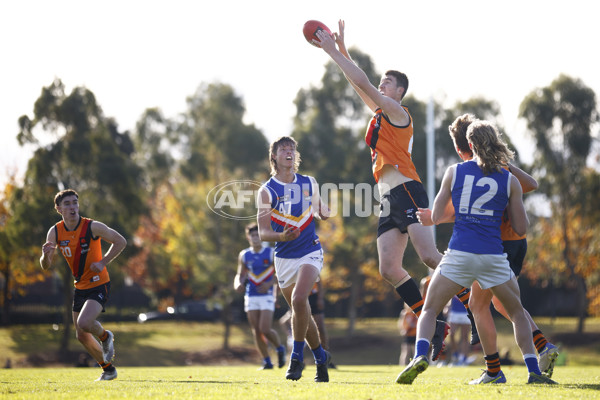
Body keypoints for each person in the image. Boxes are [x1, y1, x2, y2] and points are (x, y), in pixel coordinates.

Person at [315, 20, 482, 362]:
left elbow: (360, 81)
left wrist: (333, 52)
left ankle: (475, 311)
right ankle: (433, 322)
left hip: (407, 190)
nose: (381, 85)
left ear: (399, 92)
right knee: (389, 268)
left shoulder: (397, 112)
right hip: (387, 197)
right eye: (381, 83)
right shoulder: (380, 111)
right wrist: (340, 50)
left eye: (387, 83)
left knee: (430, 257)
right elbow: (358, 82)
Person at [396, 120, 556, 385]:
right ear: (496, 142)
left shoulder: (454, 171)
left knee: (431, 309)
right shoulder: (510, 180)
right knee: (517, 313)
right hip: (494, 257)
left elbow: (435, 215)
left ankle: (420, 356)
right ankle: (533, 372)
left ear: (469, 145)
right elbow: (521, 228)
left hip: (460, 254)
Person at [256, 136, 332, 382]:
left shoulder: (309, 182)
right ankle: (321, 357)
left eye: (292, 149)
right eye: (283, 149)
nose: (289, 152)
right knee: (301, 311)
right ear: (274, 157)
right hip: (284, 257)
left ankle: (296, 358)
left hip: (310, 250)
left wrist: (324, 213)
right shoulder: (266, 191)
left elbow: (320, 211)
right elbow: (263, 232)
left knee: (300, 299)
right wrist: (282, 236)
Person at [40, 189, 126, 381]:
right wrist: (46, 255)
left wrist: (103, 262)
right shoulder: (54, 231)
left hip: (99, 283)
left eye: (75, 203)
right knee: (81, 335)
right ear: (59, 209)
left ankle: (105, 337)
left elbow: (121, 241)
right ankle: (108, 370)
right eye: (67, 204)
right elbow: (46, 266)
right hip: (80, 286)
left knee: (85, 323)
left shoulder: (92, 227)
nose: (72, 207)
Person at [234, 223, 286, 370]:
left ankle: (279, 348)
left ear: (261, 237)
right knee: (256, 330)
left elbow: (280, 275)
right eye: (253, 235)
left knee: (265, 328)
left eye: (258, 235)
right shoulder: (244, 255)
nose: (255, 238)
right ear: (248, 237)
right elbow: (240, 274)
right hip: (251, 296)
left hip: (267, 296)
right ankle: (267, 361)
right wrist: (238, 283)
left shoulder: (270, 253)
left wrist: (270, 285)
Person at [309, 281, 336, 368]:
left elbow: (319, 281)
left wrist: (320, 298)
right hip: (299, 295)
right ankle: (299, 359)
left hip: (313, 297)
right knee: (302, 329)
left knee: (320, 328)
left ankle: (325, 356)